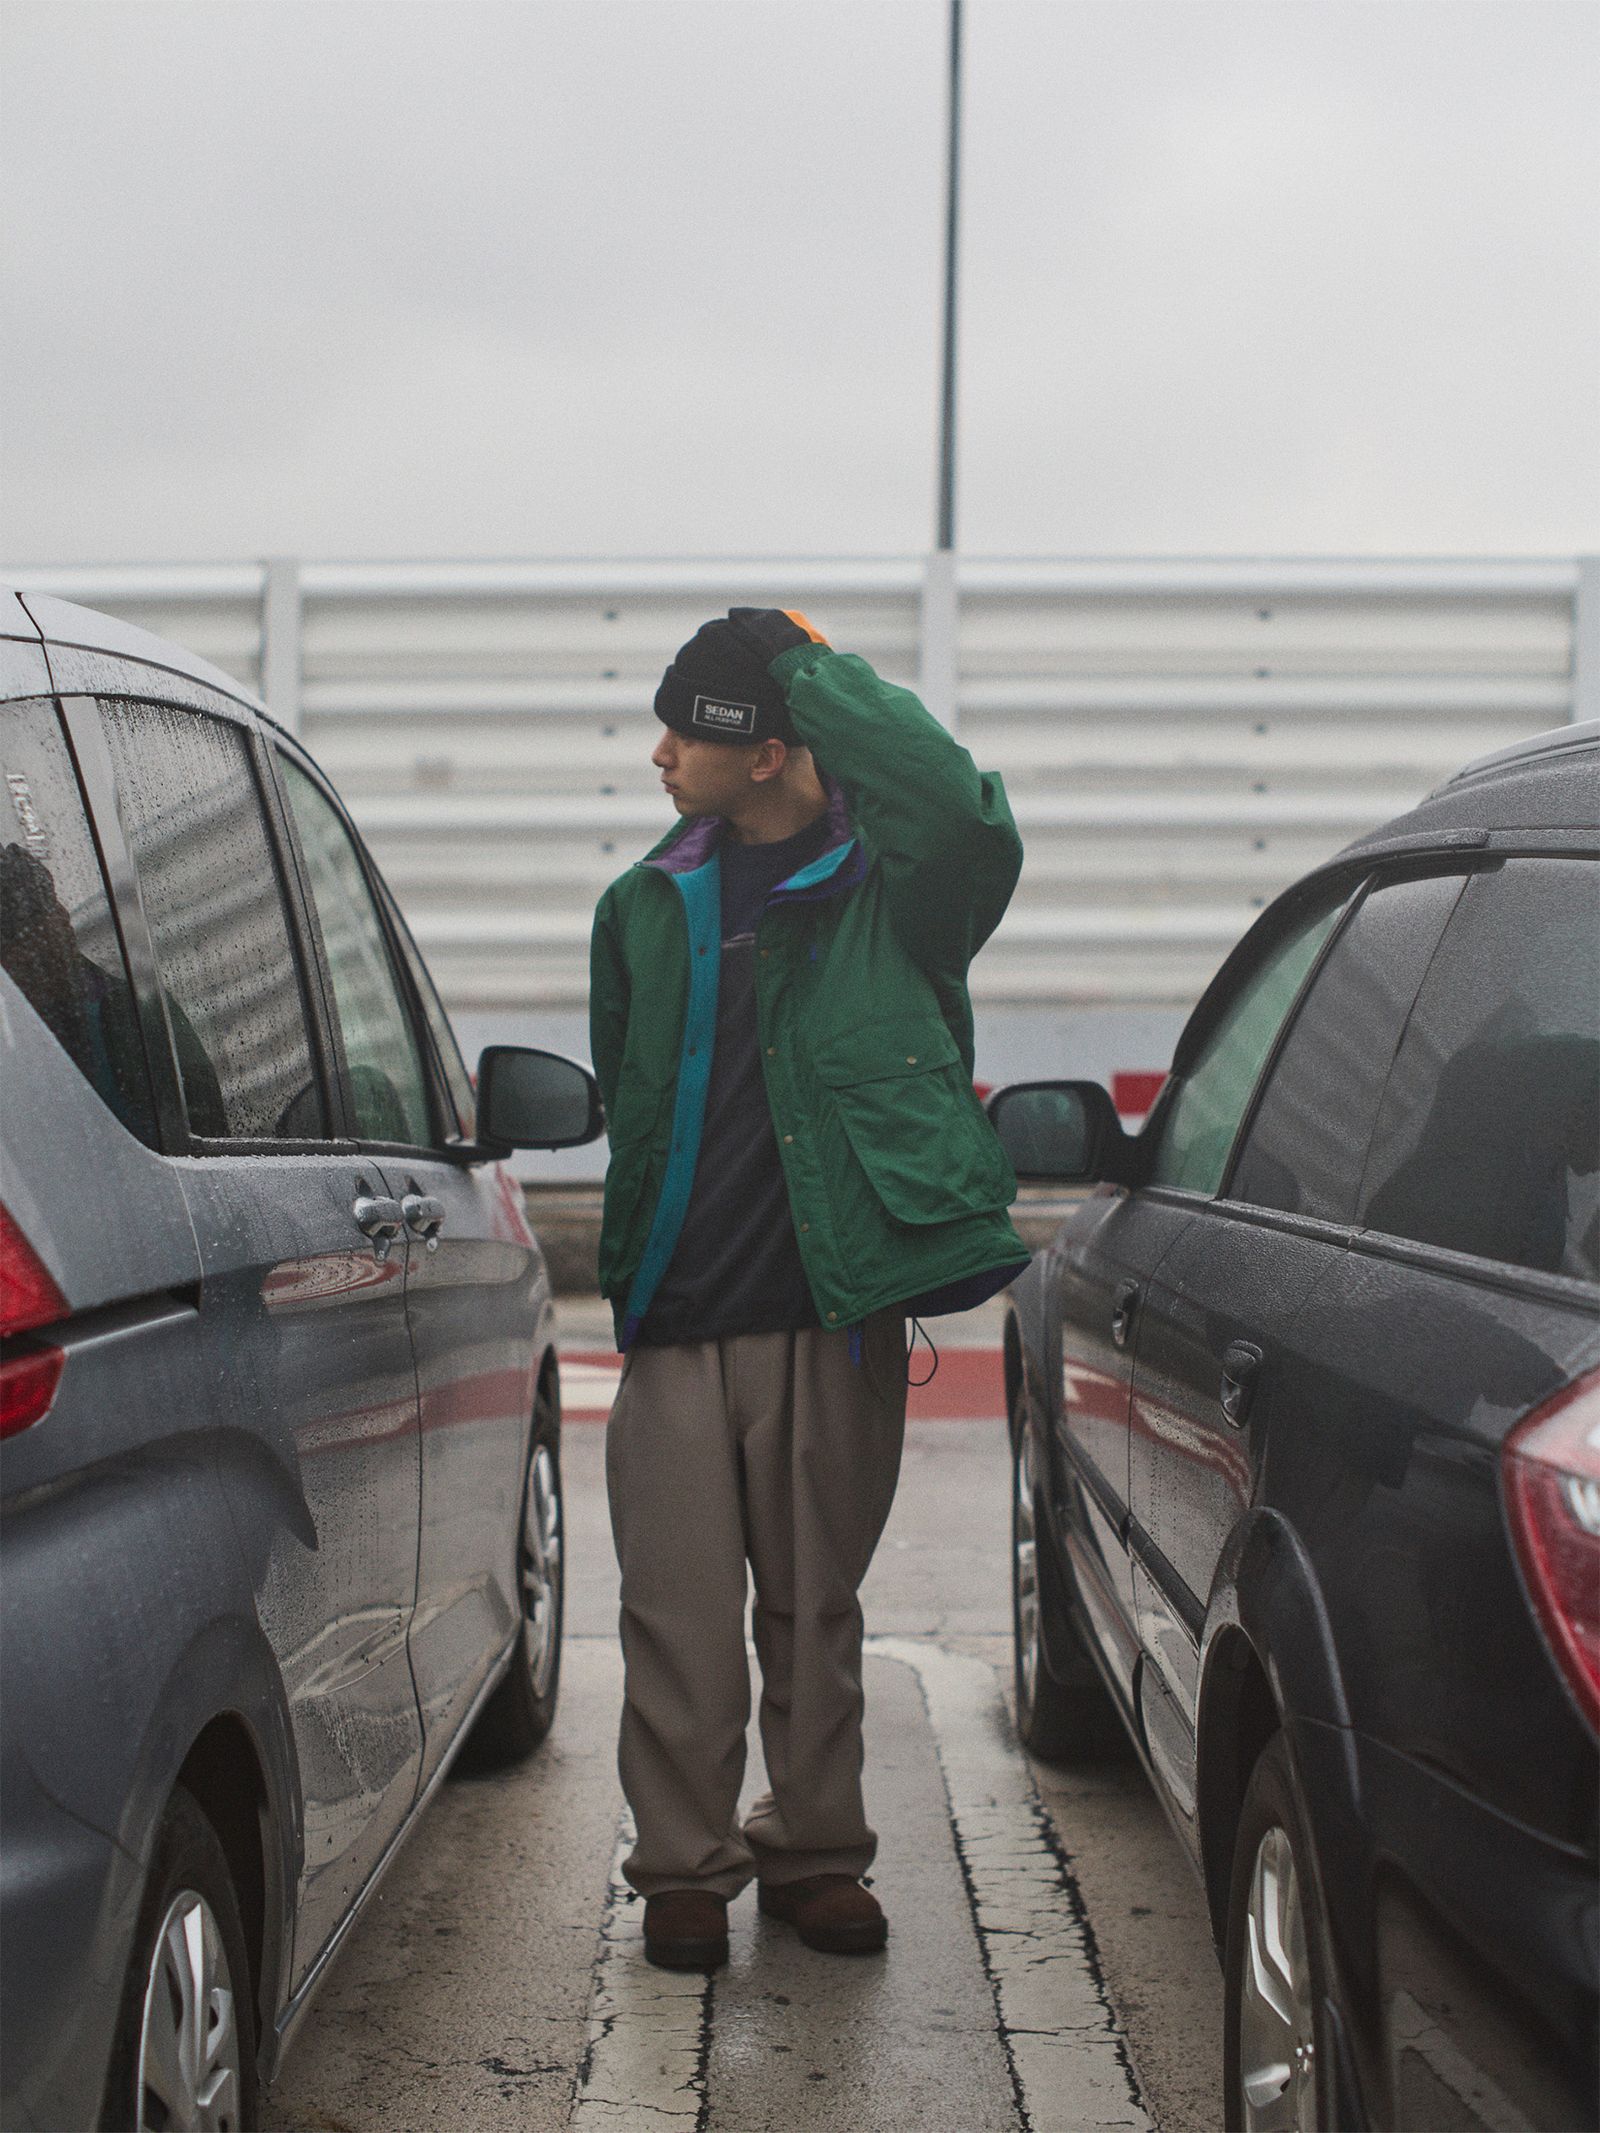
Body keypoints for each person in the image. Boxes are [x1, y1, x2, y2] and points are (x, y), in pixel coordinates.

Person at [589, 606, 1028, 1971]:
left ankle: (817, 1851)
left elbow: (960, 808)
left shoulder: (900, 894)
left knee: (814, 1610)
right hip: (678, 1318)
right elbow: (632, 1101)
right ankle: (683, 1868)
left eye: (688, 729)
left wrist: (806, 666)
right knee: (675, 1615)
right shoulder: (643, 905)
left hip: (832, 1312)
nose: (660, 754)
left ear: (769, 751)